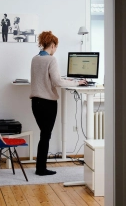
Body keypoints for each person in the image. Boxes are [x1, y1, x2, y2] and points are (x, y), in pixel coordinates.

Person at [30, 31, 87, 176]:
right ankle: (41, 169)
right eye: (56, 47)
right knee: (46, 135)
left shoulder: (35, 59)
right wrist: (76, 82)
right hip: (47, 104)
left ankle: (40, 167)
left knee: (44, 134)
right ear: (53, 45)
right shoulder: (51, 60)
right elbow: (57, 82)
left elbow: (45, 79)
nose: (55, 50)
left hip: (35, 103)